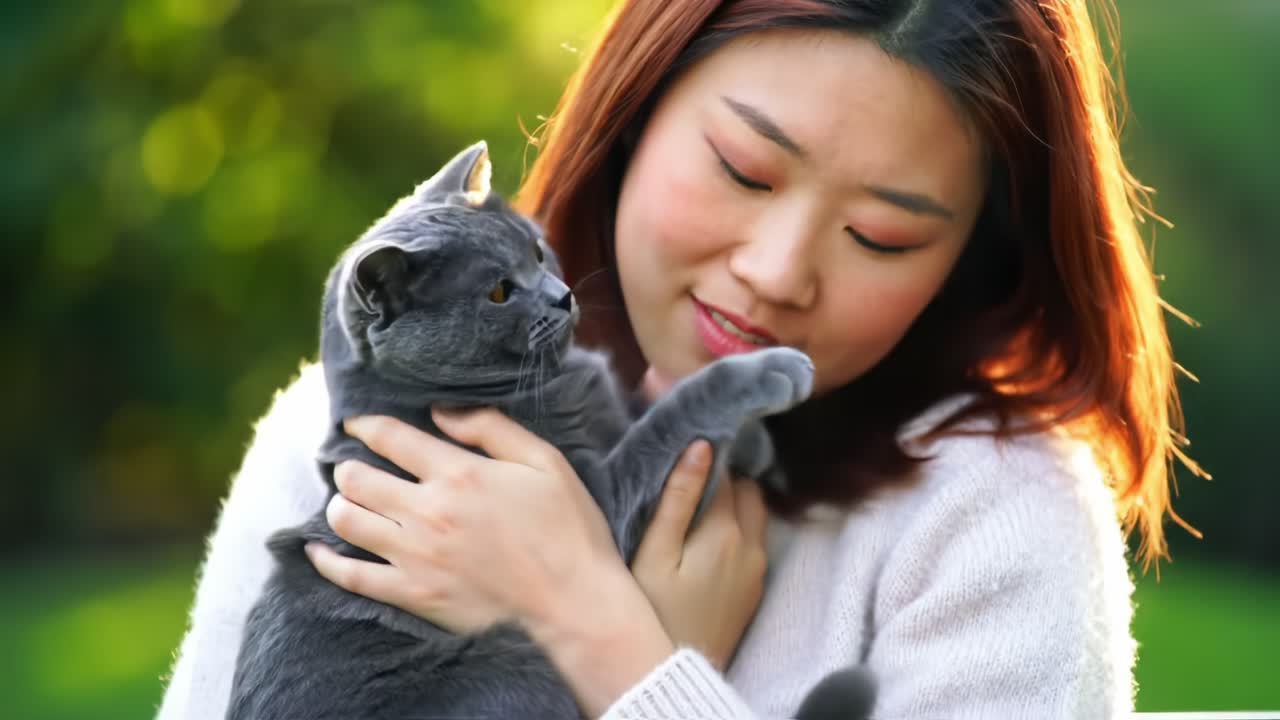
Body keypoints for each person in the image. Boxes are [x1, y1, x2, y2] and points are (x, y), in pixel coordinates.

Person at [157, 0, 1206, 718]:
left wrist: (620, 647)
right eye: (743, 171)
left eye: (881, 238)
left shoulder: (986, 515)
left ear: (972, 256)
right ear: (637, 108)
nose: (777, 271)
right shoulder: (346, 453)